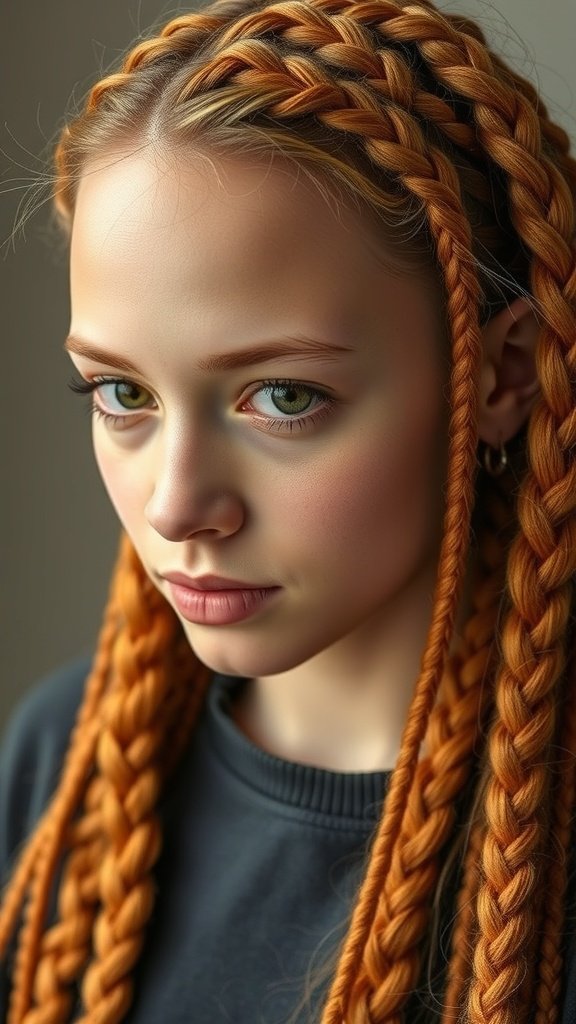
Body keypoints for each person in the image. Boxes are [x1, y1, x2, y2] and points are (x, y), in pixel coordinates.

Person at [1, 0, 575, 1021]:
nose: (178, 505)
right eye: (122, 393)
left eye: (283, 397)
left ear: (503, 374)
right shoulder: (59, 761)